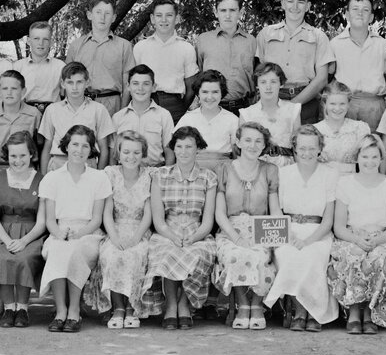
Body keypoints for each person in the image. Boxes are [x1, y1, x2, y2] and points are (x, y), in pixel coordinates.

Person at [141, 127, 218, 330]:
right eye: (179, 146)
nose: (184, 151)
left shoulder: (208, 178)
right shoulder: (160, 175)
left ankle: (184, 304)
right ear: (173, 148)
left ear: (197, 149)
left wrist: (193, 238)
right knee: (167, 251)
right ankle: (171, 305)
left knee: (197, 253)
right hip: (168, 230)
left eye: (189, 147)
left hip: (197, 232)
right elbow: (159, 220)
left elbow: (207, 221)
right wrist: (172, 236)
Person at [265, 125, 340, 332]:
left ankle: (314, 311)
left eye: (312, 148)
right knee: (289, 256)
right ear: (295, 149)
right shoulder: (283, 173)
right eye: (302, 148)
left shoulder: (330, 174)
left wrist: (309, 241)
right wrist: (289, 236)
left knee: (314, 256)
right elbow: (276, 211)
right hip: (288, 231)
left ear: (319, 149)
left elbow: (328, 219)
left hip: (318, 233)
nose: (307, 153)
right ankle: (299, 311)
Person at [38, 125, 112, 333]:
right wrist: (58, 233)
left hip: (89, 234)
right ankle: (60, 311)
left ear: (91, 150)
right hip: (59, 231)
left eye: (85, 146)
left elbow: (97, 219)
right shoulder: (52, 178)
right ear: (66, 147)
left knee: (75, 251)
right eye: (75, 144)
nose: (79, 150)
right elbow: (49, 219)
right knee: (58, 249)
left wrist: (80, 234)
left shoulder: (99, 178)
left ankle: (74, 311)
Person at [329, 135, 386, 334]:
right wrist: (357, 239)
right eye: (365, 156)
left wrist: (377, 240)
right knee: (353, 254)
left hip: (382, 237)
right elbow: (339, 226)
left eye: (374, 157)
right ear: (357, 158)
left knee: (383, 257)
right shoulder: (345, 183)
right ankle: (354, 312)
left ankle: (370, 313)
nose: (369, 162)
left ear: (381, 159)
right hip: (351, 235)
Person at [213, 122, 280, 330]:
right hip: (230, 229)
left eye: (258, 141)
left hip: (262, 227)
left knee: (261, 256)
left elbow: (275, 208)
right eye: (248, 140)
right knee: (236, 254)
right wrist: (236, 237)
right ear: (239, 142)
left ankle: (257, 306)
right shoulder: (224, 169)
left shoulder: (270, 170)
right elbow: (219, 213)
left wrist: (280, 234)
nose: (253, 145)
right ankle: (243, 305)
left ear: (264, 145)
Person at [84, 131, 154, 329]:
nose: (131, 157)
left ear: (143, 154)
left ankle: (132, 306)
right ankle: (118, 308)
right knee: (111, 255)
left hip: (139, 229)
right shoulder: (110, 174)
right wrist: (113, 237)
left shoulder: (149, 175)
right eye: (126, 152)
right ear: (118, 153)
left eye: (136, 153)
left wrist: (136, 238)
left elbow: (148, 213)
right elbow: (106, 212)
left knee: (136, 255)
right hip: (115, 228)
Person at [0, 130, 46, 328]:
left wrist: (25, 241)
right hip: (1, 233)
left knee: (24, 257)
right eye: (13, 156)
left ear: (32, 154)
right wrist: (7, 241)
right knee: (3, 257)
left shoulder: (42, 180)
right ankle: (9, 308)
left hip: (31, 233)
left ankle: (23, 309)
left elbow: (42, 221)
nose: (18, 161)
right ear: (7, 156)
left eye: (23, 155)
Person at [255, 0, 335, 124]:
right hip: (271, 99)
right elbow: (259, 72)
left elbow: (322, 78)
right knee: (271, 144)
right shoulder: (266, 34)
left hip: (306, 102)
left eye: (301, 2)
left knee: (303, 145)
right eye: (290, 1)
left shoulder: (318, 36)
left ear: (308, 6)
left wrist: (293, 105)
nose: (295, 6)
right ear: (283, 4)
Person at [329, 0, 386, 131]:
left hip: (374, 106)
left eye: (365, 10)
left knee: (372, 147)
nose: (360, 13)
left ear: (371, 17)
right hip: (345, 105)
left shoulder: (381, 44)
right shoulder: (335, 44)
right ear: (347, 14)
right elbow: (329, 77)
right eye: (355, 9)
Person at [65, 0, 137, 118]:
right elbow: (67, 81)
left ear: (114, 17)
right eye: (98, 12)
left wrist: (122, 113)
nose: (102, 17)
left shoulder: (124, 46)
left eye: (107, 13)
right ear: (90, 15)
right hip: (81, 103)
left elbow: (127, 85)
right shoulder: (76, 46)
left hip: (111, 104)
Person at [38, 62, 114, 173]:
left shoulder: (98, 109)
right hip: (58, 164)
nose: (74, 87)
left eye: (79, 82)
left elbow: (104, 148)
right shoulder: (52, 110)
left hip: (88, 164)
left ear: (87, 82)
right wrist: (44, 177)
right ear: (63, 84)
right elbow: (47, 146)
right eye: (70, 82)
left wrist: (100, 175)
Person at [133, 0, 199, 122]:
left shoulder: (186, 48)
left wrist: (180, 108)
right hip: (146, 102)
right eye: (159, 15)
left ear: (177, 18)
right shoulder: (140, 47)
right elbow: (133, 82)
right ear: (152, 18)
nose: (163, 20)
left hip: (175, 106)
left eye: (169, 15)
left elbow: (191, 88)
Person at [194, 0, 257, 115]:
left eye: (232, 10)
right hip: (212, 106)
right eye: (223, 10)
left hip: (244, 107)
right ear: (216, 12)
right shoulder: (203, 40)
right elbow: (198, 74)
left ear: (240, 12)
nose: (228, 15)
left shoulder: (251, 41)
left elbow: (256, 75)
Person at [110, 64, 175, 167]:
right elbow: (113, 153)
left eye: (146, 84)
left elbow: (169, 151)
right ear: (128, 86)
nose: (140, 88)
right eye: (135, 83)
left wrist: (165, 176)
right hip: (125, 172)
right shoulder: (118, 117)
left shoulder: (164, 115)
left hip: (155, 171)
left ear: (154, 87)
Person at [174, 70, 239, 170]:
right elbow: (176, 147)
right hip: (194, 169)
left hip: (224, 170)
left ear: (222, 93)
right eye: (205, 92)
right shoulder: (188, 118)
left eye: (215, 92)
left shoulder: (232, 120)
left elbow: (236, 153)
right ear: (198, 93)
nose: (210, 97)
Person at [240, 62, 301, 167]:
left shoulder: (292, 109)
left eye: (273, 82)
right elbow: (244, 150)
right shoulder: (247, 113)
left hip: (286, 167)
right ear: (257, 85)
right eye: (263, 82)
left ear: (281, 84)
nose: (268, 87)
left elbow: (298, 146)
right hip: (258, 168)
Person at [0, 70, 41, 173]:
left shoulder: (34, 114)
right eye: (5, 88)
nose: (9, 92)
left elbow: (40, 146)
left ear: (23, 91)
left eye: (14, 88)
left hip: (25, 168)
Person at [314, 81, 371, 175]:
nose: (337, 108)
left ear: (348, 104)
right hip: (323, 184)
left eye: (342, 104)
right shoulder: (314, 131)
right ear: (325, 104)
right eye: (332, 104)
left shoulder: (360, 129)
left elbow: (368, 165)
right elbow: (307, 166)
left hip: (353, 183)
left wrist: (341, 167)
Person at [13, 21, 65, 115]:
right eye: (36, 38)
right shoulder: (17, 67)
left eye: (45, 39)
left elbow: (66, 94)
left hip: (53, 114)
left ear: (51, 42)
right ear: (29, 41)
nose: (40, 43)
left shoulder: (60, 66)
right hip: (25, 115)